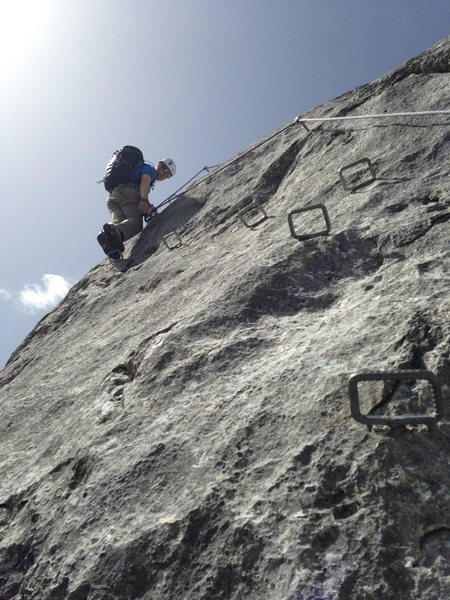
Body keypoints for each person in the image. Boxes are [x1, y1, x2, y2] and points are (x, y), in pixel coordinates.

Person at [97, 158, 176, 256]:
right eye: (166, 171)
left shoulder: (142, 170)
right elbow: (144, 182)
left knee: (118, 225)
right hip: (127, 194)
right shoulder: (151, 171)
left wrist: (147, 205)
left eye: (168, 176)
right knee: (135, 225)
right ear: (159, 166)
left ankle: (109, 241)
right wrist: (144, 200)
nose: (165, 176)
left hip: (113, 198)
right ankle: (112, 236)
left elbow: (142, 188)